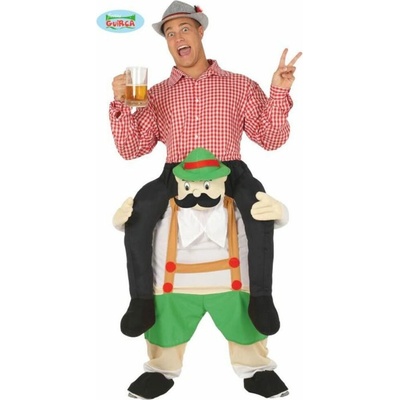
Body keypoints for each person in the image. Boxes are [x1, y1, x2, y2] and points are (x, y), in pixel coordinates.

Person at [109, 1, 302, 339]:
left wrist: (279, 91)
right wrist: (121, 103)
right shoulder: (156, 94)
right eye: (170, 33)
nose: (177, 38)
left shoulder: (240, 85)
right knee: (139, 213)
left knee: (258, 207)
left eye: (184, 29)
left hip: (230, 169)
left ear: (200, 31)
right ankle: (140, 300)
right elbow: (130, 149)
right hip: (176, 171)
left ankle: (261, 298)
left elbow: (271, 139)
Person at [113, 148, 290, 399]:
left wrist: (281, 212)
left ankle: (257, 369)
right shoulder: (167, 207)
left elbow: (262, 223)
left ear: (222, 180)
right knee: (165, 326)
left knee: (245, 324)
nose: (197, 193)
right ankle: (160, 370)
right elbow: (141, 228)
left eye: (206, 185)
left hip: (231, 286)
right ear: (178, 182)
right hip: (174, 289)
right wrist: (124, 221)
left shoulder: (235, 204)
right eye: (189, 185)